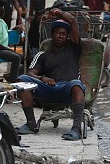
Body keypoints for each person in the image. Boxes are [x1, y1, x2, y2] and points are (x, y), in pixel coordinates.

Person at [15, 8, 86, 141]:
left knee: (77, 84)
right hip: (48, 89)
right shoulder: (42, 55)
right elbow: (30, 73)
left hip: (67, 89)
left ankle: (76, 128)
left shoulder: (73, 48)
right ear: (52, 34)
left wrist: (57, 12)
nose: (61, 36)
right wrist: (43, 78)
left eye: (64, 34)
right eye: (58, 33)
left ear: (68, 36)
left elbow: (73, 21)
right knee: (22, 80)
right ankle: (31, 124)